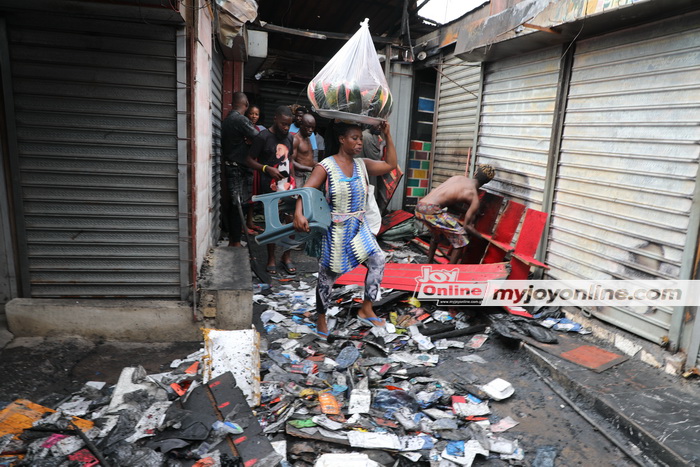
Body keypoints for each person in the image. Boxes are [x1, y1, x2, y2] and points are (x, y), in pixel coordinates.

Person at [293, 121, 398, 339]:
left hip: (359, 227)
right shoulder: (326, 166)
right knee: (328, 276)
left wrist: (388, 135)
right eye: (354, 138)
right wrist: (298, 213)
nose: (359, 142)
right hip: (336, 231)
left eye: (360, 138)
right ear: (342, 139)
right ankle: (321, 318)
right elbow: (307, 189)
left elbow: (390, 165)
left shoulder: (362, 164)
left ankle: (366, 308)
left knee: (377, 259)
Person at [246, 105, 295, 275]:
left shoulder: (289, 138)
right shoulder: (263, 137)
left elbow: (291, 160)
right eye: (283, 124)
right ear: (275, 119)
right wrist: (266, 169)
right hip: (268, 187)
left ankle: (287, 257)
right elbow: (249, 160)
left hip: (287, 187)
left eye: (288, 125)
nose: (286, 128)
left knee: (291, 221)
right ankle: (271, 258)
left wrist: (293, 182)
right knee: (272, 224)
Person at [415, 165, 496, 264]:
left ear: (475, 173)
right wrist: (483, 238)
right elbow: (467, 226)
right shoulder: (473, 196)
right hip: (432, 211)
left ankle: (429, 262)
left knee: (436, 235)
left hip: (420, 207)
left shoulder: (457, 178)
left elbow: (450, 205)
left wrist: (466, 211)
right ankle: (450, 271)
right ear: (486, 182)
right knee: (462, 238)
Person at [221, 92, 259, 247]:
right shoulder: (240, 120)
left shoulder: (228, 120)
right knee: (239, 204)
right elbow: (259, 137)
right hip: (238, 169)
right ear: (246, 103)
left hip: (231, 165)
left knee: (236, 203)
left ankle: (234, 238)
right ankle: (235, 241)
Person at [291, 114, 318, 188]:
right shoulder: (296, 140)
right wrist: (309, 168)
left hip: (308, 175)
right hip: (299, 176)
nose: (311, 130)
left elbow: (309, 159)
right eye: (308, 127)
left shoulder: (308, 139)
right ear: (301, 125)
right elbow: (291, 162)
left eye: (313, 128)